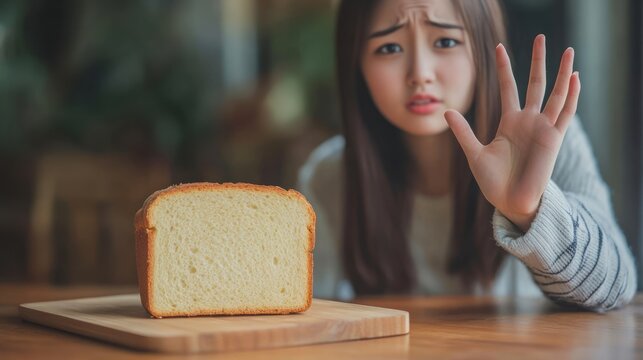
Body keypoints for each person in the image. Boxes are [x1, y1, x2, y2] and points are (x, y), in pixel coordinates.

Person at [297, 0, 636, 312]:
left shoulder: (546, 143)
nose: (420, 73)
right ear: (355, 64)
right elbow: (309, 313)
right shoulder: (330, 177)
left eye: (445, 42)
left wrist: (529, 211)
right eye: (389, 47)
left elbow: (617, 288)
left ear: (484, 48)